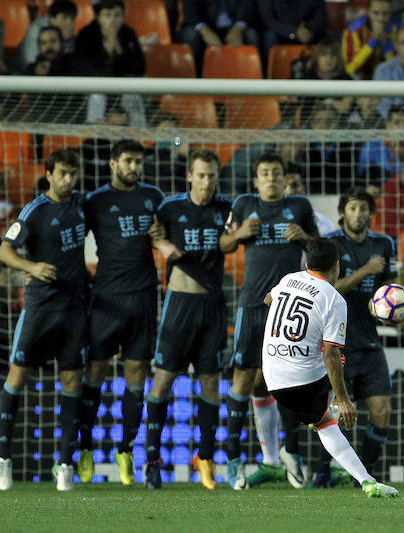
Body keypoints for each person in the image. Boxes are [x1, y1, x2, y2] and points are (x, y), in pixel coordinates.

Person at [261, 237, 398, 498]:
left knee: (319, 417)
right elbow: (332, 355)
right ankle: (362, 479)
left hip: (272, 374)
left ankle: (301, 449)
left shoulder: (288, 279)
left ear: (307, 263)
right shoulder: (334, 299)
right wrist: (344, 400)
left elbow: (268, 299)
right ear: (337, 266)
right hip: (303, 380)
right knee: (337, 369)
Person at [219, 152, 318, 490]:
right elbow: (223, 244)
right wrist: (240, 234)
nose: (272, 178)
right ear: (256, 180)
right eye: (265, 173)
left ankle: (293, 454)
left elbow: (322, 250)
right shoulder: (245, 204)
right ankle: (233, 460)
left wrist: (304, 238)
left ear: (284, 178)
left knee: (290, 382)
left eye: (277, 173)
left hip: (289, 308)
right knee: (243, 380)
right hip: (253, 306)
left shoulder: (300, 206)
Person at [0, 148, 89, 492]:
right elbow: (4, 250)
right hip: (40, 307)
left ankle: (65, 464)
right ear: (48, 173)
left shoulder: (82, 204)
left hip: (75, 307)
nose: (68, 180)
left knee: (73, 380)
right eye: (62, 173)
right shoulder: (34, 211)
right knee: (17, 374)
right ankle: (3, 458)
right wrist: (31, 267)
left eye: (72, 173)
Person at [142, 148, 234, 490]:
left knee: (211, 384)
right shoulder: (170, 207)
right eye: (201, 175)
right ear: (189, 176)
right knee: (163, 380)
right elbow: (150, 236)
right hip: (179, 305)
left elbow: (236, 239)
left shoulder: (227, 210)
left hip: (212, 306)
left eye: (212, 175)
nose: (207, 182)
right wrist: (162, 245)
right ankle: (152, 461)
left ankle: (206, 459)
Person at [76, 139, 166, 486]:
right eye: (128, 161)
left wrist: (161, 234)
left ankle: (126, 451)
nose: (134, 167)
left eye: (138, 161)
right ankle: (85, 448)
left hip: (144, 296)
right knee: (95, 370)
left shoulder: (154, 197)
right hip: (106, 298)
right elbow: (71, 241)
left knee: (137, 374)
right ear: (112, 163)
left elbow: (170, 235)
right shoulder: (95, 201)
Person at [308, 188, 395, 487]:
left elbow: (388, 288)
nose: (359, 214)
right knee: (331, 415)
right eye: (353, 208)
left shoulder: (384, 244)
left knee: (382, 411)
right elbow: (327, 289)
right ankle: (321, 473)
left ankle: (361, 474)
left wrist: (386, 304)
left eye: (364, 208)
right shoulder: (331, 245)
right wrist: (364, 271)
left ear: (372, 213)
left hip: (370, 342)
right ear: (343, 212)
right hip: (336, 343)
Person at [179, 0, 259, 76]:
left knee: (251, 35)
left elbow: (248, 6)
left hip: (235, 26)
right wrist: (205, 31)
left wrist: (237, 28)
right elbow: (190, 9)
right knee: (189, 35)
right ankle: (190, 79)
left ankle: (252, 77)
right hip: (205, 25)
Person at [73, 0, 145, 78]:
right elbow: (82, 67)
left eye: (117, 15)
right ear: (98, 18)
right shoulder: (86, 34)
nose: (112, 20)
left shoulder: (129, 34)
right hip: (94, 84)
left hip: (124, 83)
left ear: (123, 17)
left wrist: (120, 53)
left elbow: (140, 68)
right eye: (107, 15)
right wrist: (107, 53)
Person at [343, 0, 401, 80]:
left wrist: (385, 43)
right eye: (376, 13)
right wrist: (372, 42)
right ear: (368, 12)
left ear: (390, 14)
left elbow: (399, 69)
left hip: (387, 79)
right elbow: (350, 69)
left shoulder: (398, 29)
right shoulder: (353, 31)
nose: (380, 18)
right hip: (361, 80)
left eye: (385, 14)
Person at [17, 0, 78, 70]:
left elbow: (69, 63)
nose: (69, 23)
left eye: (72, 19)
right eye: (64, 18)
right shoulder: (37, 27)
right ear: (52, 18)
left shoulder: (68, 31)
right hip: (21, 75)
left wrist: (66, 39)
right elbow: (30, 62)